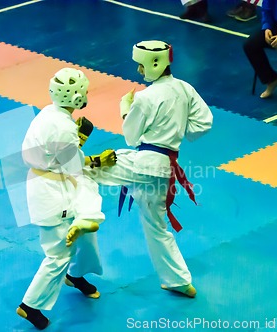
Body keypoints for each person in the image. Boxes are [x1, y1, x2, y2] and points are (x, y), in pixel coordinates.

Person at [88, 40, 213, 298]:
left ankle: (74, 249)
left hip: (145, 164)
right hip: (164, 167)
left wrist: (126, 111)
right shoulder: (185, 88)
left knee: (88, 168)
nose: (139, 72)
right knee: (156, 226)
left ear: (155, 63)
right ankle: (178, 281)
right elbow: (203, 123)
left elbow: (131, 138)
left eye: (141, 66)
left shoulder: (145, 98)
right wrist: (177, 129)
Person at [17, 67, 117, 330]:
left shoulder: (50, 113)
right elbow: (74, 166)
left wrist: (78, 142)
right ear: (77, 97)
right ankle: (30, 305)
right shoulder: (64, 128)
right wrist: (96, 158)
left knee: (85, 233)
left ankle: (76, 275)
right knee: (59, 253)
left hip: (52, 182)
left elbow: (64, 156)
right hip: (51, 193)